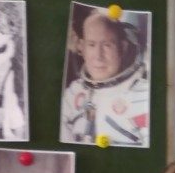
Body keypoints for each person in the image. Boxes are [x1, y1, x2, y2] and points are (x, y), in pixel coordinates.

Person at [60, 9, 148, 146]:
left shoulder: (143, 96)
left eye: (107, 45)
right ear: (82, 47)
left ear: (123, 47)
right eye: (91, 45)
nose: (98, 56)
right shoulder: (72, 94)